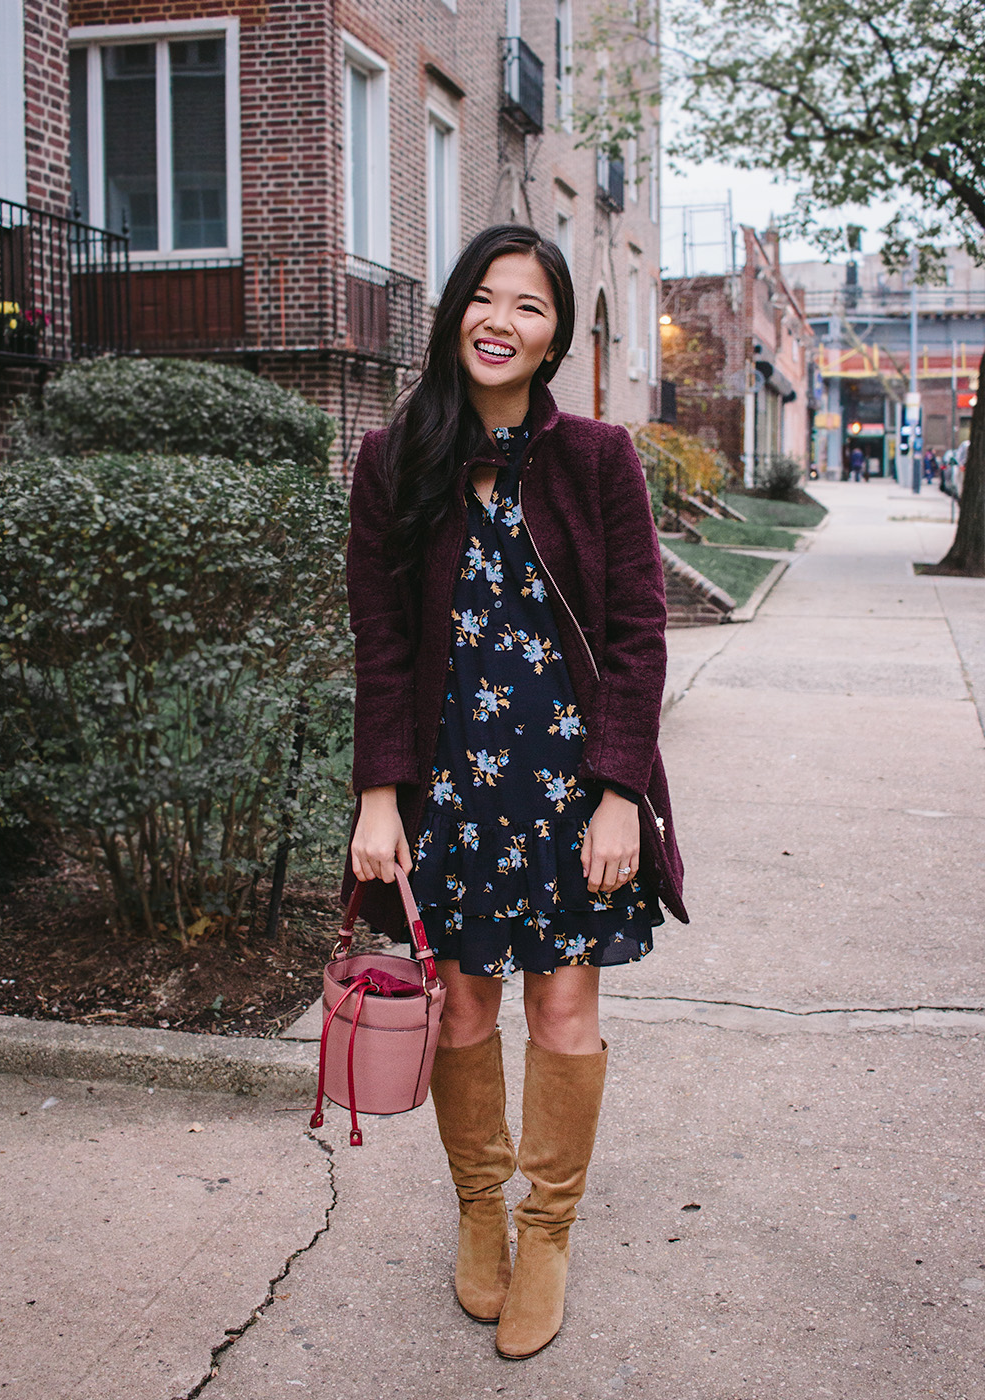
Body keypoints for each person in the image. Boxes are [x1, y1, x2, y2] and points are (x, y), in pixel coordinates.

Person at [342, 224, 687, 1359]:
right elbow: (382, 643)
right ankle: (478, 1211)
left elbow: (637, 635)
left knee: (563, 1014)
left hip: (570, 796)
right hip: (449, 793)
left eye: (528, 306)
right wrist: (379, 795)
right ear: (455, 314)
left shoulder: (597, 458)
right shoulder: (395, 460)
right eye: (484, 298)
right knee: (464, 1011)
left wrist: (621, 793)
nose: (501, 321)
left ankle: (547, 1233)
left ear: (554, 338)